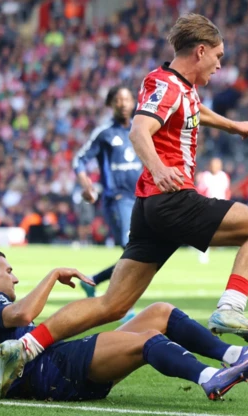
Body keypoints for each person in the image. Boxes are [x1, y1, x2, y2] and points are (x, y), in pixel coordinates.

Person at [0, 13, 248, 393]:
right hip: (172, 198)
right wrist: (159, 167)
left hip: (149, 208)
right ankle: (230, 308)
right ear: (200, 51)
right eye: (218, 56)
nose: (220, 64)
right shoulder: (167, 86)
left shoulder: (176, 84)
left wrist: (232, 125)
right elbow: (139, 129)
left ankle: (24, 347)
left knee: (112, 305)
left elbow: (195, 112)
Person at [0, 249, 248, 402]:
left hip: (51, 370)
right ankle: (209, 378)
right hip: (49, 370)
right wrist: (52, 275)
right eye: (9, 271)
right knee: (147, 338)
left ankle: (234, 354)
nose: (14, 279)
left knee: (160, 312)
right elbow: (19, 316)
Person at [73, 86, 141, 322]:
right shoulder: (103, 133)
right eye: (118, 100)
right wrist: (86, 185)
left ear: (134, 102)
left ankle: (93, 280)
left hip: (143, 198)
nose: (123, 103)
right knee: (131, 249)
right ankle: (124, 306)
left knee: (144, 254)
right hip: (118, 199)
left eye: (127, 99)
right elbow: (79, 159)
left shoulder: (142, 129)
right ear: (110, 104)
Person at [196, 157, 231, 264]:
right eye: (214, 164)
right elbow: (200, 191)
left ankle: (218, 247)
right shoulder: (205, 176)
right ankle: (203, 254)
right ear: (210, 165)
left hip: (221, 206)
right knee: (205, 231)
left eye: (218, 164)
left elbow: (227, 191)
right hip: (208, 206)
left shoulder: (224, 176)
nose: (216, 166)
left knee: (220, 229)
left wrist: (226, 204)